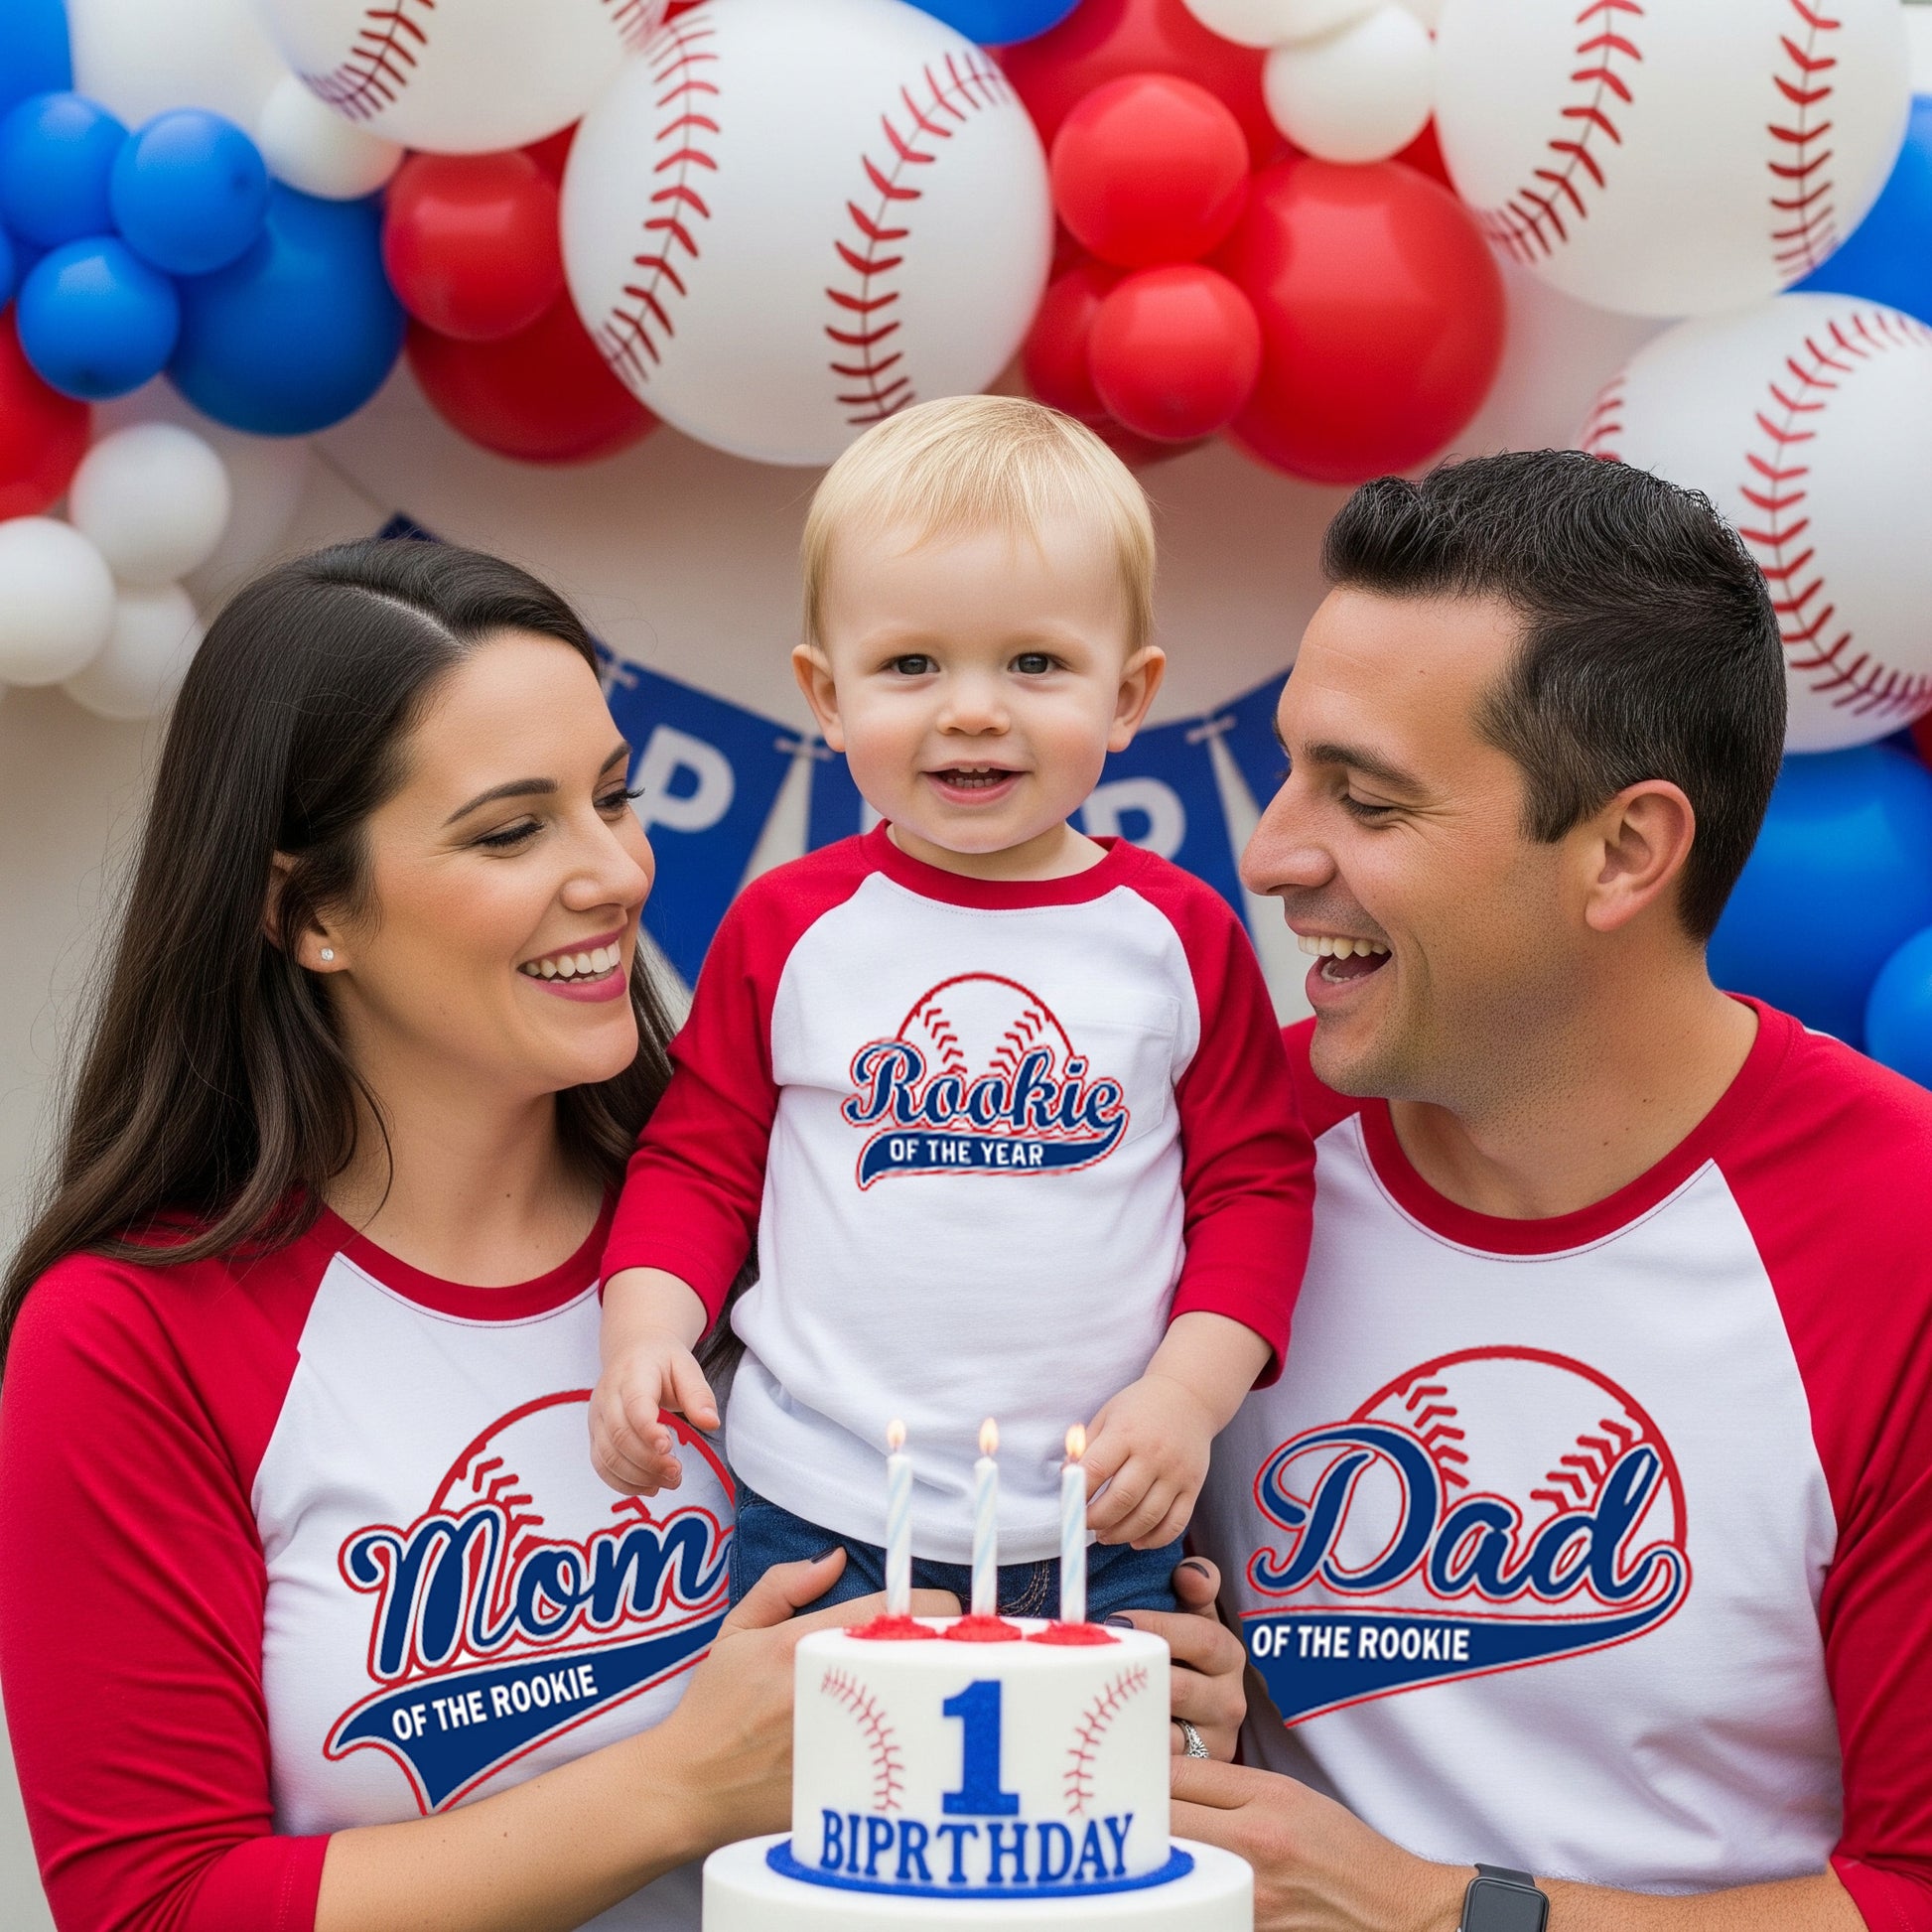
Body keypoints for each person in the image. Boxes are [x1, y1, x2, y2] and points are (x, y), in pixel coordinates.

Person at [0, 537, 1250, 1932]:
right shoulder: (130, 1334)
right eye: (509, 831)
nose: (615, 872)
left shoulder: (797, 1210)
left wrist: (1147, 1717)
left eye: (613, 797)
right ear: (311, 911)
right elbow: (153, 1906)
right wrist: (680, 1784)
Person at [1177, 452, 1932, 1931]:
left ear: (1623, 851)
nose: (1270, 852)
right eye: (1290, 768)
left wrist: (1433, 1909)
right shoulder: (1210, 1147)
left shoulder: (1898, 1229)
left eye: (1366, 799)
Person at [590, 396, 1312, 1615]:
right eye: (910, 664)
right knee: (818, 1749)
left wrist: (1187, 1396)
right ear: (826, 693)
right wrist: (644, 1328)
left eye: (1034, 662)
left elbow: (1255, 1186)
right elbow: (701, 1160)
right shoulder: (791, 924)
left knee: (1098, 1752)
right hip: (822, 1505)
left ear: (1127, 693)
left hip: (1101, 1512)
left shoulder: (1175, 935)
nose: (972, 708)